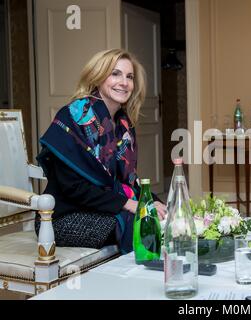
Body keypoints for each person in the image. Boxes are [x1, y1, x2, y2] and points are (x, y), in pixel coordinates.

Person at [35, 48, 166, 254]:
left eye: (129, 77)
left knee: (159, 216)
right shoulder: (73, 117)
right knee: (140, 223)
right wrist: (129, 204)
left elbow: (126, 182)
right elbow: (73, 188)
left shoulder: (123, 125)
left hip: (100, 209)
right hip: (63, 217)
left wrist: (152, 202)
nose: (124, 82)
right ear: (97, 77)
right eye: (115, 74)